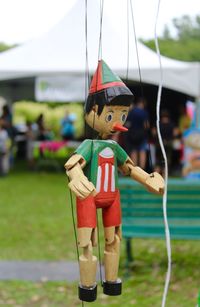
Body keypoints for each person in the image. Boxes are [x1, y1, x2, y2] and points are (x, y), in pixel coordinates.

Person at [64, 60, 164, 302]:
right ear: (93, 112)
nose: (118, 120)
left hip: (112, 199)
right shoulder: (89, 145)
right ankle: (88, 285)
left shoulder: (114, 146)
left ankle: (111, 281)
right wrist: (76, 175)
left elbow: (129, 168)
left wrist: (148, 179)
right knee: (87, 243)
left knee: (113, 239)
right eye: (111, 114)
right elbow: (73, 162)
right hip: (89, 196)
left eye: (122, 114)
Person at [125, 98, 149, 169]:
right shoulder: (144, 112)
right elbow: (146, 125)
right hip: (142, 135)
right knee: (142, 152)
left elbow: (127, 124)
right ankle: (142, 169)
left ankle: (134, 169)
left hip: (132, 135)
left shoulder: (131, 112)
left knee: (133, 152)